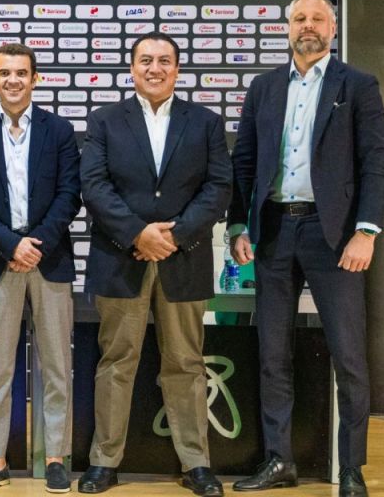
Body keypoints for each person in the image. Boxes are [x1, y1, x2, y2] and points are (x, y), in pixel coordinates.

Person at [228, 0, 384, 497]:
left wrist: (366, 230)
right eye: (299, 18)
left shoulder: (357, 85)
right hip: (274, 231)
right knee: (273, 353)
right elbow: (245, 164)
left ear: (332, 28)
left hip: (335, 234)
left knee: (348, 356)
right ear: (286, 28)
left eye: (318, 18)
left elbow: (375, 162)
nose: (308, 26)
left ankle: (350, 469)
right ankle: (280, 460)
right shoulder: (265, 87)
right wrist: (237, 226)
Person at [78, 32, 231, 496]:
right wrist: (138, 234)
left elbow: (218, 186)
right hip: (121, 259)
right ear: (132, 67)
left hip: (182, 261)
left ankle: (196, 463)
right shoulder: (105, 120)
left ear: (177, 69)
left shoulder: (203, 121)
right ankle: (104, 462)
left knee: (185, 362)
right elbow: (95, 186)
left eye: (164, 61)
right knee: (116, 361)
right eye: (146, 60)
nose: (155, 68)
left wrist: (174, 235)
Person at [0, 43, 81, 493]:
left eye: (21, 73)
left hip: (49, 261)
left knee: (55, 365)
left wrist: (37, 244)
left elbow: (70, 194)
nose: (13, 80)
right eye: (4, 73)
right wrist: (11, 244)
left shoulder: (59, 131)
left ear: (35, 78)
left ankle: (54, 456)